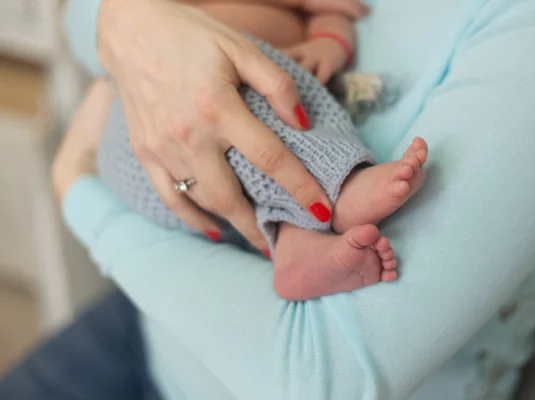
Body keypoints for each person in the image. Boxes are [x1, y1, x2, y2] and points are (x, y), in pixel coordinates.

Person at [2, 0, 535, 399]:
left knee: (274, 87)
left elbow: (321, 378)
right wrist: (129, 24)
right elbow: (84, 20)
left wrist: (81, 195)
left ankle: (312, 214)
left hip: (209, 316)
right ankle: (310, 216)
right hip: (148, 319)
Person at [98, 0, 429, 299]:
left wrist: (327, 43)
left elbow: (335, 13)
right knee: (235, 59)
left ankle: (293, 244)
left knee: (268, 103)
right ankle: (340, 186)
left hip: (204, 177)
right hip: (149, 127)